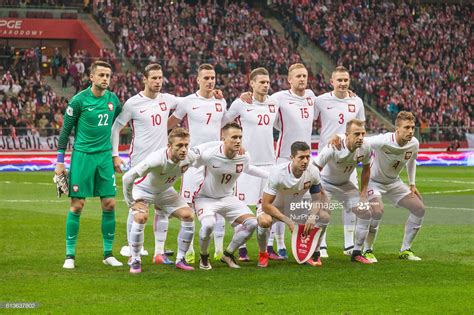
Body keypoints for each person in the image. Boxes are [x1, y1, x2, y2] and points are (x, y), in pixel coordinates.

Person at [55, 60, 123, 269]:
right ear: (91, 77)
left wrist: (114, 155)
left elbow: (117, 127)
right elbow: (65, 131)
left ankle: (108, 253)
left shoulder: (114, 101)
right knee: (77, 205)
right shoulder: (78, 101)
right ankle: (69, 255)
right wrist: (59, 162)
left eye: (108, 76)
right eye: (101, 75)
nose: (105, 79)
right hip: (82, 156)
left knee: (110, 204)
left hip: (103, 158)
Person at [111, 63, 180, 265]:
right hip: (140, 162)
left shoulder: (167, 99)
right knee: (138, 205)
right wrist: (115, 154)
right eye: (154, 78)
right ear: (144, 79)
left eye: (160, 78)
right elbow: (116, 129)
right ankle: (132, 247)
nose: (158, 82)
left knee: (161, 206)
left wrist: (215, 94)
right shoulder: (133, 103)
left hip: (163, 163)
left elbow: (189, 103)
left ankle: (159, 248)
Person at [122, 128, 215, 273]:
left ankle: (180, 259)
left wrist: (226, 142)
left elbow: (206, 146)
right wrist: (131, 203)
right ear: (169, 146)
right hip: (143, 190)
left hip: (165, 191)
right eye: (179, 145)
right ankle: (135, 259)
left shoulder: (189, 156)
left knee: (188, 215)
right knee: (141, 217)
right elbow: (127, 178)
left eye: (186, 145)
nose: (183, 149)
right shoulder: (156, 159)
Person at [168, 64, 227, 264]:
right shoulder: (187, 102)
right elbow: (169, 124)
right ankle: (189, 249)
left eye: (213, 77)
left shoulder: (222, 102)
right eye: (206, 78)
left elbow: (226, 128)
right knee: (188, 205)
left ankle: (219, 249)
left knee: (219, 202)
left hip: (216, 160)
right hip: (193, 160)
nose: (210, 81)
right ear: (198, 80)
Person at [193, 122, 269, 269]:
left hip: (228, 198)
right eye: (234, 137)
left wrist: (270, 176)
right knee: (208, 225)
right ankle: (203, 257)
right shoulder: (210, 155)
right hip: (205, 198)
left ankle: (228, 255)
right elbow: (190, 162)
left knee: (253, 223)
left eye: (240, 137)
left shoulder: (244, 156)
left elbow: (248, 169)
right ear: (224, 138)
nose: (238, 141)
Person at [222, 67, 279, 261]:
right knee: (243, 206)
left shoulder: (274, 103)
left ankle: (268, 248)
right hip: (247, 165)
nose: (265, 85)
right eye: (261, 82)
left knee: (267, 208)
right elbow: (224, 123)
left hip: (269, 163)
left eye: (267, 82)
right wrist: (234, 145)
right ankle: (242, 249)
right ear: (252, 83)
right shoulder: (240, 103)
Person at [314, 66, 365, 258]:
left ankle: (349, 244)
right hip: (327, 157)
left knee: (350, 203)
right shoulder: (320, 100)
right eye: (339, 80)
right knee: (323, 202)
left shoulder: (357, 101)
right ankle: (323, 244)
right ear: (332, 82)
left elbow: (360, 127)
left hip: (349, 158)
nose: (343, 83)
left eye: (346, 80)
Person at [362, 111, 425, 262]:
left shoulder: (414, 143)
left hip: (394, 182)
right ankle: (367, 250)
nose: (410, 131)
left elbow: (411, 161)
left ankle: (405, 249)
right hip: (374, 182)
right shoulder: (383, 140)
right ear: (397, 129)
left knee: (419, 209)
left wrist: (412, 184)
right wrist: (340, 138)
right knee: (377, 211)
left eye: (412, 127)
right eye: (406, 128)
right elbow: (361, 141)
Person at [256, 141, 329, 268]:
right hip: (274, 208)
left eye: (308, 157)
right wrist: (289, 221)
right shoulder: (277, 173)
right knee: (264, 221)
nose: (305, 161)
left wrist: (311, 217)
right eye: (301, 157)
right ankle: (263, 254)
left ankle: (313, 253)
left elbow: (317, 199)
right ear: (292, 158)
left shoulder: (313, 171)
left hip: (295, 207)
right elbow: (266, 205)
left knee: (323, 217)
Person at [313, 119, 372, 263]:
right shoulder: (333, 146)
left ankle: (357, 252)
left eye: (363, 134)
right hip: (325, 183)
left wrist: (363, 195)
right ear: (347, 135)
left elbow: (366, 169)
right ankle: (315, 253)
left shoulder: (365, 147)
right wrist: (320, 193)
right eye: (356, 134)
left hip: (346, 184)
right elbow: (314, 170)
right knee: (324, 215)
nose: (360, 137)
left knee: (366, 212)